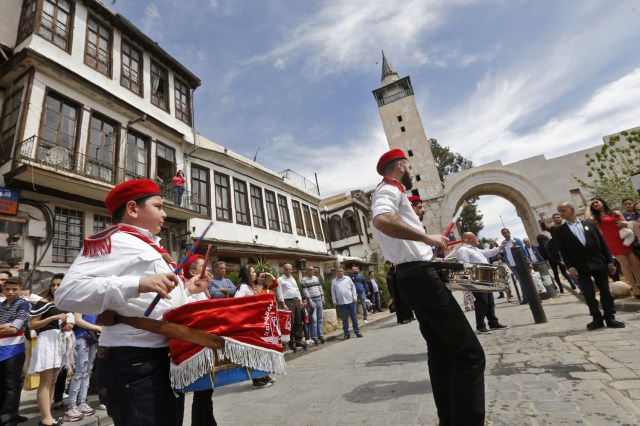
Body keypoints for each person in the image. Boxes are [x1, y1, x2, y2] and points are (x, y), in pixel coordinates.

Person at [55, 179, 209, 426]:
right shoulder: (114, 240)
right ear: (133, 209)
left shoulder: (153, 246)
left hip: (161, 356)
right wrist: (136, 283)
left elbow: (158, 298)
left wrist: (188, 290)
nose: (164, 213)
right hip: (134, 360)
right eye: (158, 206)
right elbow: (67, 293)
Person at [371, 148, 485, 425]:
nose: (411, 172)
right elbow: (381, 220)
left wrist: (429, 251)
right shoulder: (389, 189)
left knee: (442, 353)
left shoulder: (392, 191)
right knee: (469, 354)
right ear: (400, 166)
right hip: (419, 277)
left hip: (415, 274)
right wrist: (425, 237)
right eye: (409, 167)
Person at [554, 201, 625, 330]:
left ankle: (610, 318)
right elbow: (563, 251)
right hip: (580, 267)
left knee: (605, 291)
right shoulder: (560, 231)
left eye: (563, 210)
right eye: (559, 211)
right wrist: (570, 267)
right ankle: (596, 319)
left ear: (572, 209)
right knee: (588, 293)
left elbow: (603, 244)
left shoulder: (590, 225)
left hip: (598, 263)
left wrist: (610, 261)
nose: (561, 214)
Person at [28, 274, 74, 426]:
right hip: (46, 342)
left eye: (59, 285)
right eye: (53, 285)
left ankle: (48, 417)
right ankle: (45, 418)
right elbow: (33, 325)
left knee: (53, 381)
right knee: (45, 382)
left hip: (58, 342)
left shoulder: (63, 303)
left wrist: (64, 325)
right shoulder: (43, 302)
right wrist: (52, 319)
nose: (55, 288)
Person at [183, 254, 217, 426]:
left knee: (206, 390)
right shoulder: (190, 291)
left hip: (205, 343)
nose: (208, 269)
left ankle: (206, 421)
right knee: (203, 390)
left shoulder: (204, 290)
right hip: (196, 345)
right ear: (192, 272)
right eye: (203, 267)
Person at [585, 197, 640, 298]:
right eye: (593, 204)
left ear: (602, 201)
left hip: (625, 240)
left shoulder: (616, 212)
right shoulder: (596, 217)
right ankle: (635, 289)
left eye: (596, 202)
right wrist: (588, 205)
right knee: (626, 265)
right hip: (613, 242)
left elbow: (625, 224)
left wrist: (622, 224)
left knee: (636, 264)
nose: (595, 204)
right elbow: (587, 219)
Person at [457, 233, 509, 334]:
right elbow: (465, 265)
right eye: (474, 237)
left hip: (486, 277)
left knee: (489, 301)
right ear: (469, 239)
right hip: (477, 278)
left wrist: (499, 248)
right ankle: (480, 326)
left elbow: (487, 253)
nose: (476, 239)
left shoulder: (475, 249)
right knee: (482, 301)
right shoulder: (463, 250)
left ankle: (493, 323)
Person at [0, 277, 30, 426]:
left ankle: (9, 419)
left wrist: (9, 326)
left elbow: (15, 328)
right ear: (3, 289)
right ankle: (5, 415)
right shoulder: (1, 305)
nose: (11, 292)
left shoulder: (23, 304)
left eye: (14, 289)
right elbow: (11, 327)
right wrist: (7, 325)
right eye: (7, 289)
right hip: (1, 348)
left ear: (20, 289)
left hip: (14, 350)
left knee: (11, 385)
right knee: (2, 384)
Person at [63, 312, 101, 422]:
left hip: (92, 338)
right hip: (81, 337)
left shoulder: (95, 302)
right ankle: (71, 406)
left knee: (87, 372)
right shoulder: (80, 300)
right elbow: (78, 320)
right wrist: (97, 327)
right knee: (79, 373)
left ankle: (82, 402)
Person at [275, 264, 306, 352]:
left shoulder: (292, 278)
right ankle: (291, 342)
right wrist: (283, 303)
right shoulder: (280, 279)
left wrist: (300, 300)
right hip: (288, 302)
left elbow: (297, 289)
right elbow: (279, 292)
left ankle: (298, 340)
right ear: (283, 270)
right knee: (291, 322)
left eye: (290, 269)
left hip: (296, 301)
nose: (288, 271)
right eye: (287, 269)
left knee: (298, 321)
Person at [500, 228, 530, 305]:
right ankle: (525, 297)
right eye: (503, 233)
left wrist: (527, 260)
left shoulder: (516, 240)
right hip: (513, 265)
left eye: (506, 232)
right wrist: (508, 264)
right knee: (521, 281)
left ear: (509, 232)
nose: (505, 234)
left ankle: (530, 296)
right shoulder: (503, 243)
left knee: (527, 279)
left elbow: (523, 250)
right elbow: (505, 255)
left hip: (522, 263)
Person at [331, 267, 362, 339]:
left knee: (354, 317)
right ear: (336, 272)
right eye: (338, 271)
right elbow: (333, 292)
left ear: (343, 272)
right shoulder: (334, 281)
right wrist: (334, 301)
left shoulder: (348, 278)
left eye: (341, 271)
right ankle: (346, 333)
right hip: (341, 303)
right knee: (344, 319)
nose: (340, 272)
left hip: (351, 301)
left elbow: (353, 287)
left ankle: (357, 331)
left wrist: (355, 297)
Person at [300, 266, 325, 344]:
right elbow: (305, 291)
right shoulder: (304, 280)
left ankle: (320, 334)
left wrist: (323, 298)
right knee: (314, 319)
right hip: (312, 301)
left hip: (319, 299)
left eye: (313, 269)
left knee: (320, 318)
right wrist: (310, 302)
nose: (312, 270)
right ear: (306, 271)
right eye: (310, 269)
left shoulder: (316, 278)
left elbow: (320, 288)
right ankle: (314, 337)